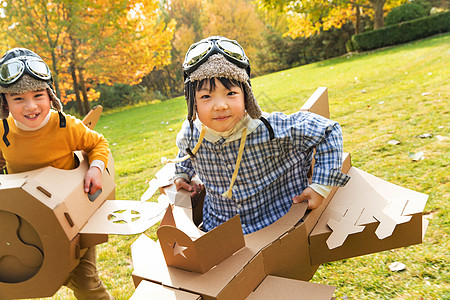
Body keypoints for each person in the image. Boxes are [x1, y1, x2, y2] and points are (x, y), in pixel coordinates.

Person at [169, 36, 350, 235]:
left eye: (230, 93)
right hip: (220, 230)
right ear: (193, 103)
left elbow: (328, 130)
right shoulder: (191, 133)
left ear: (246, 95)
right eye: (206, 96)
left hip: (277, 223)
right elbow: (185, 152)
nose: (220, 105)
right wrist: (181, 174)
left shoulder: (270, 128)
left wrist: (320, 187)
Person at [0, 48, 113, 299]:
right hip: (26, 223)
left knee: (87, 285)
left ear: (50, 96)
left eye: (38, 95)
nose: (31, 106)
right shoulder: (3, 130)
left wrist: (95, 168)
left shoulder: (66, 126)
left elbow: (98, 143)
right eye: (18, 99)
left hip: (72, 219)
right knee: (14, 281)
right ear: (4, 102)